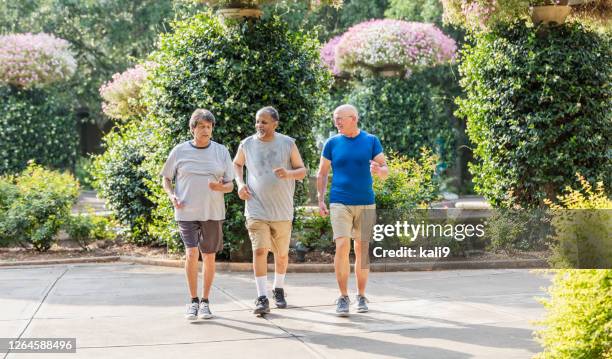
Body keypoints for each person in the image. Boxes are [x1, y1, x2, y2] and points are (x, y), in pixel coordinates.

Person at [161, 109, 234, 321]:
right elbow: (166, 178)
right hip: (185, 212)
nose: (205, 130)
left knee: (209, 256)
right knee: (191, 253)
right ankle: (192, 300)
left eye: (209, 127)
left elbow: (230, 184)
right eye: (201, 126)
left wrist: (220, 188)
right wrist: (171, 195)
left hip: (212, 212)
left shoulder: (221, 151)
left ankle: (206, 302)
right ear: (192, 129)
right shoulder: (179, 151)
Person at [316, 104, 388, 316]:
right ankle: (343, 296)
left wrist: (378, 170)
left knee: (362, 250)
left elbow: (385, 170)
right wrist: (321, 199)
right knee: (341, 246)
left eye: (340, 118)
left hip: (366, 202)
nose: (336, 122)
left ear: (354, 118)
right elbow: (322, 173)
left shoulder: (371, 140)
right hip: (339, 201)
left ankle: (361, 295)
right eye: (335, 118)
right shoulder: (332, 143)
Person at [233, 106, 307, 315]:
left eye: (264, 122)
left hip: (282, 211)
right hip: (256, 208)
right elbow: (237, 164)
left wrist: (289, 173)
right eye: (257, 121)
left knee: (281, 255)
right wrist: (240, 184)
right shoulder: (247, 144)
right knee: (259, 250)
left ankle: (278, 288)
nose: (259, 126)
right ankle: (261, 296)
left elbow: (302, 171)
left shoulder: (287, 143)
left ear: (275, 123)